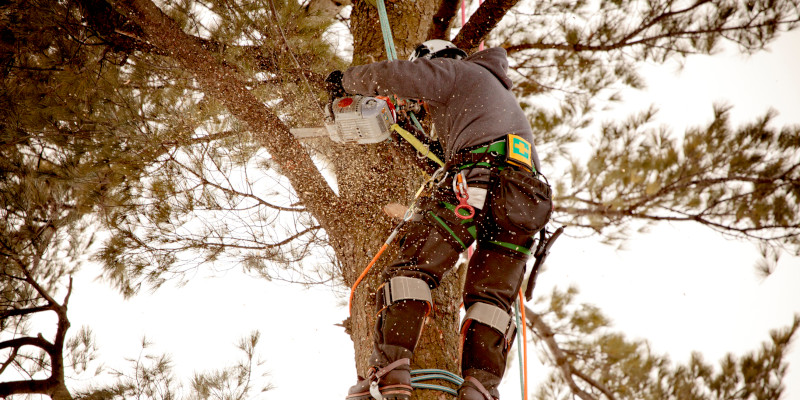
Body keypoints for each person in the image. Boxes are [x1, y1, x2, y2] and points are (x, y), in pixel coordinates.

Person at [326, 39, 553, 400]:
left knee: (412, 271)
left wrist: (345, 81)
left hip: (477, 181)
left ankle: (388, 375)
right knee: (491, 301)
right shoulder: (487, 96)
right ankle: (479, 389)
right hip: (524, 202)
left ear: (435, 60)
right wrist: (404, 133)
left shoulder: (455, 71)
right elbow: (440, 161)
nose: (424, 108)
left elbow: (396, 75)